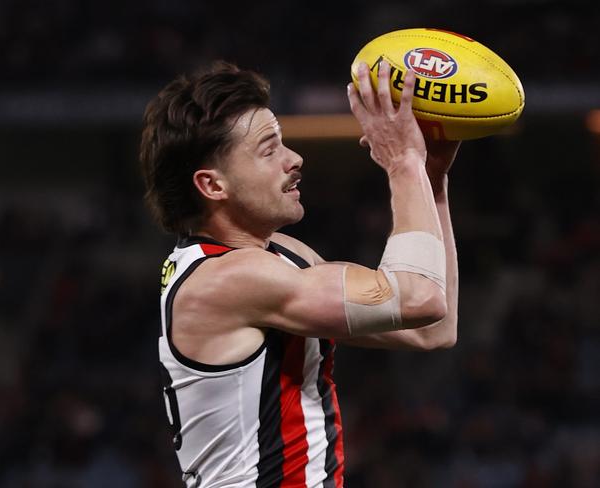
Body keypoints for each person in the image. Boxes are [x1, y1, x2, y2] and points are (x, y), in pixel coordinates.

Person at [139, 60, 459, 488]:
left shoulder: (277, 256)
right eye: (269, 149)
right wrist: (403, 163)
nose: (294, 159)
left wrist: (430, 179)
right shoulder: (229, 279)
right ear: (213, 185)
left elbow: (432, 328)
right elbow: (420, 297)